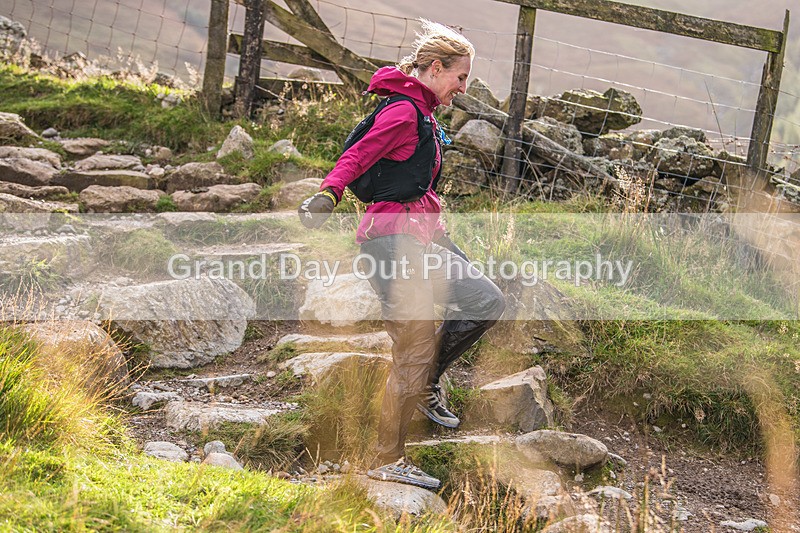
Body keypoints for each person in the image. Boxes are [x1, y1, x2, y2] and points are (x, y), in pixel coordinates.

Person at [297, 20, 505, 490]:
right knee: (413, 347)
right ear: (436, 68)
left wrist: (448, 245)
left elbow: (419, 192)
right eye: (461, 77)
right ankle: (387, 458)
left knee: (486, 300)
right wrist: (327, 194)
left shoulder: (424, 113)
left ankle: (427, 384)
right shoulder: (404, 112)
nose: (463, 88)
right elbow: (357, 158)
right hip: (390, 245)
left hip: (417, 238)